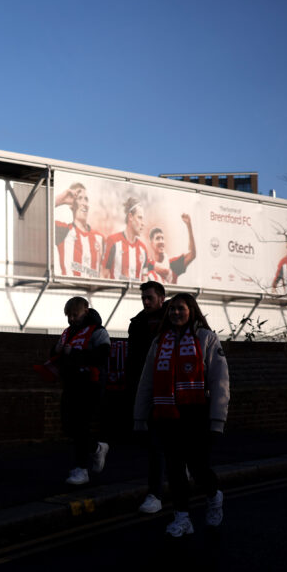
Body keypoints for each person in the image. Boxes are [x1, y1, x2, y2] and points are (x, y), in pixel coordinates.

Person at [134, 293, 230, 537]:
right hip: (166, 411)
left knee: (198, 468)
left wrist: (217, 420)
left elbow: (220, 381)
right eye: (172, 309)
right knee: (175, 468)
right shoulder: (159, 341)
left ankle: (214, 495)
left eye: (181, 308)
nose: (176, 313)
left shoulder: (206, 338)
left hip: (196, 412)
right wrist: (140, 416)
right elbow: (147, 381)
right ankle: (182, 517)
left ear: (192, 310)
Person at [55, 297, 111, 485]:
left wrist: (74, 353)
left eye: (75, 315)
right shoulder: (68, 332)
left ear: (85, 311)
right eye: (68, 316)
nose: (71, 319)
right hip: (71, 383)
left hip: (90, 384)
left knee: (81, 425)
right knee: (68, 425)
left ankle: (81, 469)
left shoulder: (98, 331)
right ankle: (96, 448)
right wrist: (55, 350)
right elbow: (59, 354)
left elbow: (103, 355)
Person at [126, 281, 167, 514]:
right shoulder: (138, 323)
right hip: (150, 388)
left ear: (162, 298)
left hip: (175, 390)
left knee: (175, 443)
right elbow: (133, 359)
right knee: (155, 444)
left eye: (150, 297)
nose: (146, 302)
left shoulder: (175, 318)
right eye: (143, 298)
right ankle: (155, 494)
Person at [54, 183, 105, 278]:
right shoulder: (63, 230)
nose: (84, 203)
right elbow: (41, 213)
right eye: (80, 198)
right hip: (70, 287)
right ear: (71, 205)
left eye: (86, 199)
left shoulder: (99, 238)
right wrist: (61, 200)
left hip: (92, 288)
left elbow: (103, 272)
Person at [104, 199, 149, 281]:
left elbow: (145, 280)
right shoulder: (113, 241)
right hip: (116, 289)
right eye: (139, 218)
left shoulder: (143, 249)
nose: (143, 223)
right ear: (130, 217)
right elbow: (103, 275)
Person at [145, 213, 196, 285]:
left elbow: (192, 254)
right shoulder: (148, 264)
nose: (161, 241)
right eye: (157, 238)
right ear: (151, 243)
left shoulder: (173, 263)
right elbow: (165, 270)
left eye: (162, 238)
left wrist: (189, 226)